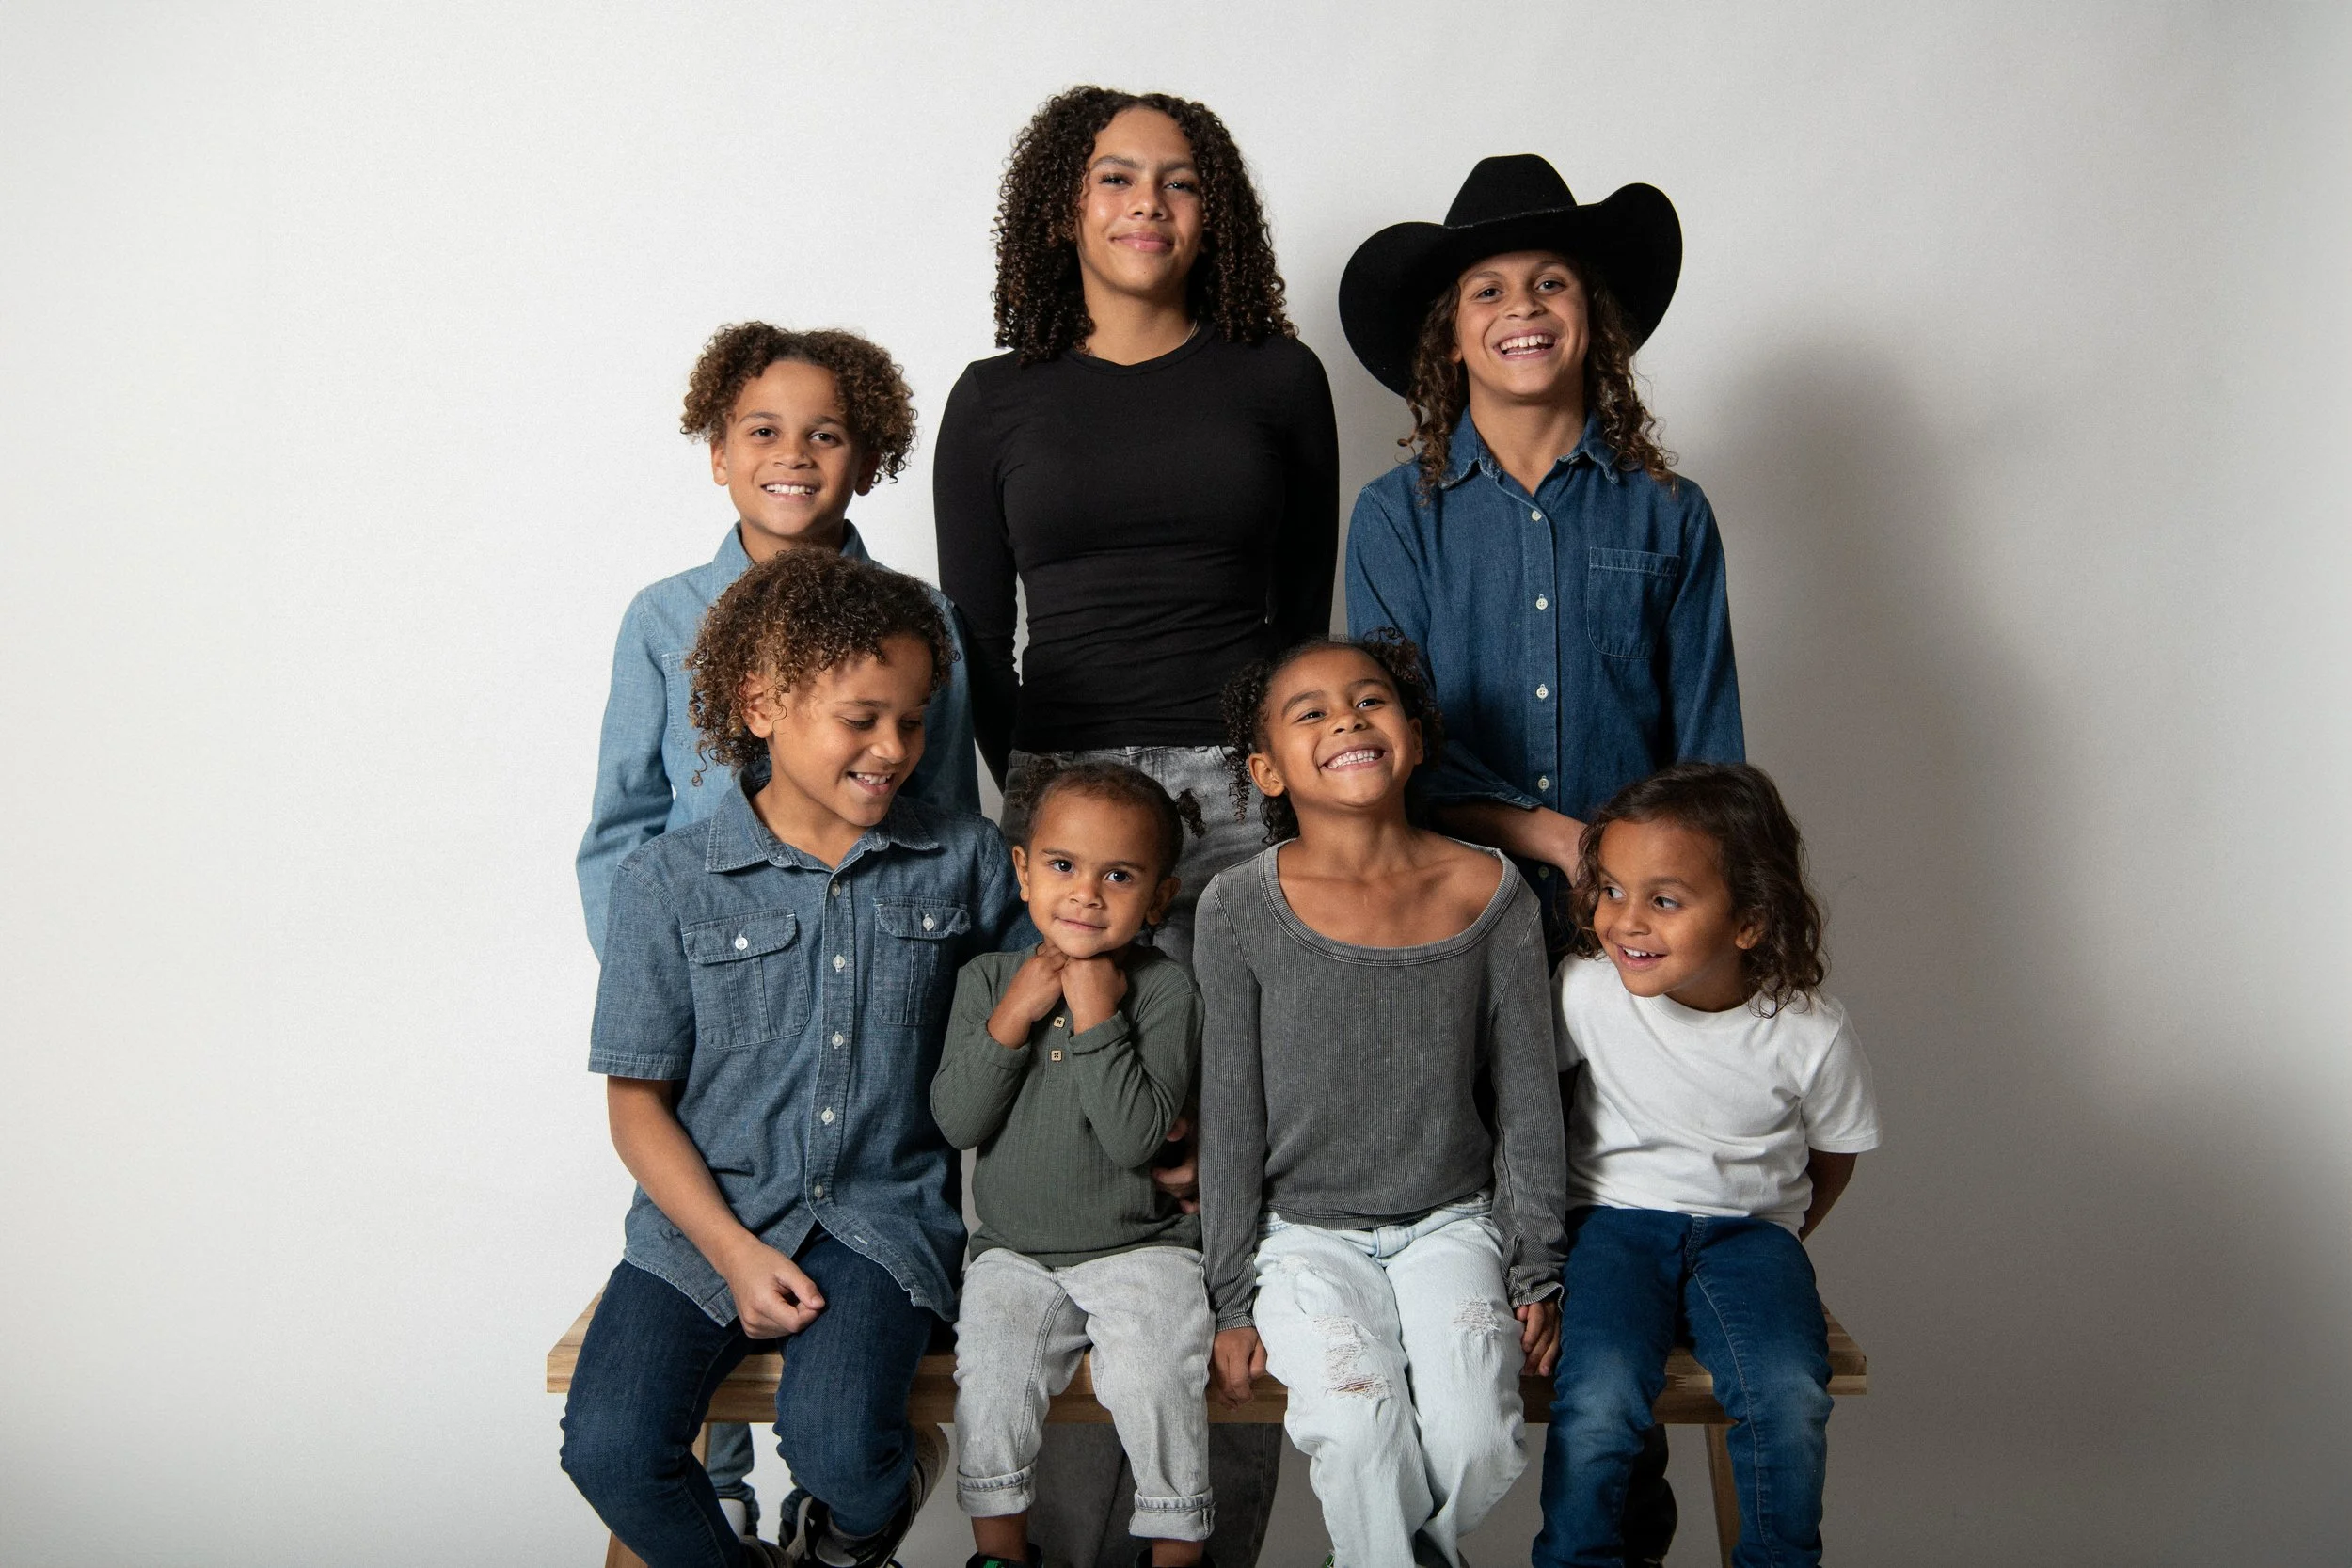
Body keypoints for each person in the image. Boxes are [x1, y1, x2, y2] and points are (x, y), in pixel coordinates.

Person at [935, 85, 1338, 1568]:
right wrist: (1038, 811)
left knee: (1222, 1143)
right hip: (1062, 793)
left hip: (1239, 803)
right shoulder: (997, 397)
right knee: (1066, 1138)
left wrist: (1262, 781)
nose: (1147, 204)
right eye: (1116, 178)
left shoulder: (1277, 377)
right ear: (1066, 208)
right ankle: (1038, 1536)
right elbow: (975, 633)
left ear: (1210, 211)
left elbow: (1306, 615)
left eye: (1178, 181)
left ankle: (1196, 1546)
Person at [1338, 153, 1742, 1558]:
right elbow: (1368, 744)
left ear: (1596, 318)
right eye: (1490, 290)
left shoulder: (1666, 514)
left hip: (1633, 937)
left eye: (1552, 283)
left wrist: (1667, 902)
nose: (1523, 309)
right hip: (1453, 921)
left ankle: (1616, 1529)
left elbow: (1714, 754)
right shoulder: (1396, 519)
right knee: (1487, 1241)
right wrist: (1543, 830)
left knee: (1623, 1235)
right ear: (1450, 332)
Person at [576, 322, 980, 1532]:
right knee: (651, 1427)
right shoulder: (665, 615)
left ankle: (829, 1523)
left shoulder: (924, 623)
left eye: (826, 431)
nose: (793, 454)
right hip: (715, 1036)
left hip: (877, 1065)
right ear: (717, 450)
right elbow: (620, 826)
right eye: (763, 428)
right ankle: (734, 1519)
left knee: (838, 1423)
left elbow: (944, 815)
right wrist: (675, 993)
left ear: (868, 455)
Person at [1194, 632, 1567, 1568]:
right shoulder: (1238, 905)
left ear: (1414, 735)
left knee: (1481, 1432)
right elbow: (1231, 1115)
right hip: (1302, 1239)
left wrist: (1535, 1267)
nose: (1346, 720)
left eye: (1369, 700)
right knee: (1358, 1428)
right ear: (1266, 769)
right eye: (1308, 712)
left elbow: (1528, 1101)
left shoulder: (1494, 889)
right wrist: (1231, 1300)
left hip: (1454, 1224)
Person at [1536, 763, 1879, 1568]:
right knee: (1600, 1394)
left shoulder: (1809, 1029)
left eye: (1663, 899)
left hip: (1750, 1239)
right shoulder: (1585, 989)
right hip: (1613, 1227)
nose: (1623, 921)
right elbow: (1524, 1107)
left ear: (1750, 919)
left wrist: (1779, 1236)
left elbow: (1835, 1154)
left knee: (1789, 1392)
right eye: (1611, 889)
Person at [933, 761, 1216, 1568]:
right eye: (1063, 866)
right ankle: (1000, 1553)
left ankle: (1174, 1549)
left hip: (1143, 1247)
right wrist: (1015, 1014)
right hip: (1015, 1251)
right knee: (990, 1374)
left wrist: (1096, 1014)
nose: (1086, 893)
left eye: (1118, 875)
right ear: (1023, 871)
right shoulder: (987, 979)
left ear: (1157, 897)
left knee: (1159, 1371)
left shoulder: (1166, 993)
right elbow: (957, 1119)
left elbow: (1137, 1139)